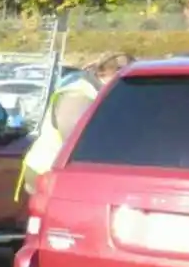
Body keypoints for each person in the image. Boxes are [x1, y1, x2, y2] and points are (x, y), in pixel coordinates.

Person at [17, 52, 131, 200]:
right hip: (49, 171)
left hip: (63, 173)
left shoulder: (98, 93)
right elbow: (77, 141)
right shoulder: (78, 96)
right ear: (111, 73)